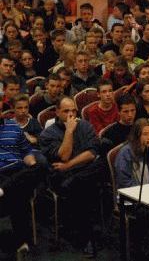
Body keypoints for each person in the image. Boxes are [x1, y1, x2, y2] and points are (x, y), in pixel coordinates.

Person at [39, 96, 104, 257]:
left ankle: (87, 234)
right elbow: (64, 156)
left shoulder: (85, 126)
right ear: (57, 112)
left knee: (98, 166)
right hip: (63, 177)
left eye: (73, 110)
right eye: (66, 111)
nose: (71, 115)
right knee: (83, 186)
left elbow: (91, 153)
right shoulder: (48, 134)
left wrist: (69, 165)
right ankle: (89, 237)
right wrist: (69, 131)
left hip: (81, 172)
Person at [0, 99, 45, 260]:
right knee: (18, 195)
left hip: (17, 171)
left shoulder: (13, 128)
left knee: (38, 166)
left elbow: (26, 151)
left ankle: (4, 188)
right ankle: (21, 243)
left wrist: (31, 162)